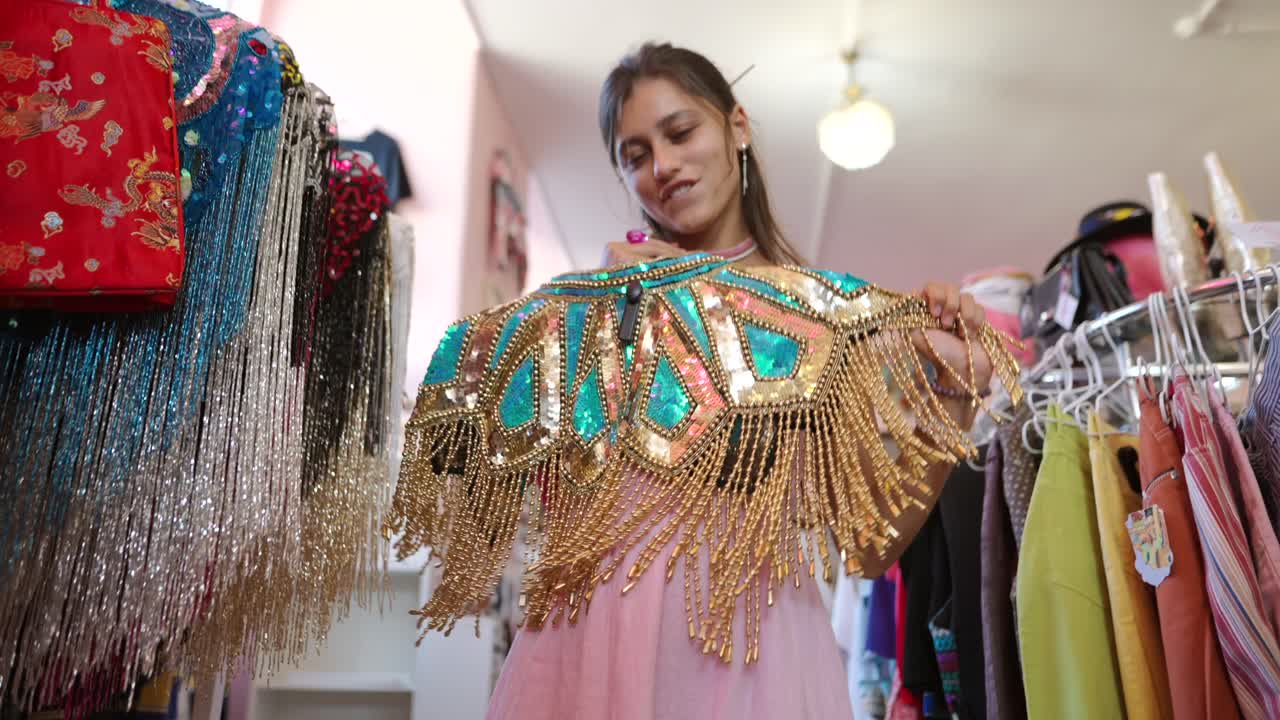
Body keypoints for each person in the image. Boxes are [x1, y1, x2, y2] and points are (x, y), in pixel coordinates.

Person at [473, 43, 996, 720]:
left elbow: (868, 546)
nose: (662, 165)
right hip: (601, 642)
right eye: (634, 155)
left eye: (680, 131)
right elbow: (531, 470)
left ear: (737, 126)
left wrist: (950, 399)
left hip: (757, 656)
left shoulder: (821, 320)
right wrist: (595, 322)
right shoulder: (608, 298)